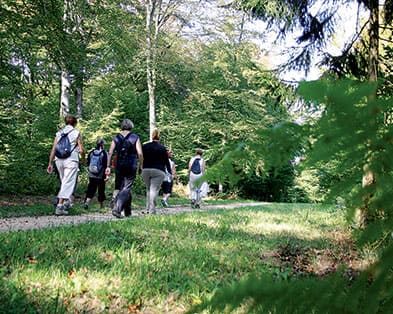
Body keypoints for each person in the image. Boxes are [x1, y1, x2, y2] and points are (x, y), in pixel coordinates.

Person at [47, 114, 85, 215]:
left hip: (58, 160)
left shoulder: (59, 133)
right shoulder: (76, 133)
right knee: (67, 183)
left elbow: (53, 149)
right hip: (71, 160)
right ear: (75, 123)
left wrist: (50, 163)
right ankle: (59, 205)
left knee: (64, 182)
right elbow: (81, 150)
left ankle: (66, 202)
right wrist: (84, 159)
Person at [105, 119, 143, 218]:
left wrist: (108, 166)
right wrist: (141, 166)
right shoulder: (135, 137)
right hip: (131, 164)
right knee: (126, 188)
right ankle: (117, 209)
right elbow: (140, 153)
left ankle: (128, 212)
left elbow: (110, 152)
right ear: (131, 126)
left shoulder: (116, 138)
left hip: (119, 164)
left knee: (124, 188)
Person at [141, 129, 171, 214]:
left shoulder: (145, 146)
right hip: (158, 171)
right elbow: (166, 161)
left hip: (146, 170)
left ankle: (147, 209)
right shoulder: (162, 148)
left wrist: (140, 167)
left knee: (148, 189)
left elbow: (140, 157)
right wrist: (170, 172)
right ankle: (152, 210)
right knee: (154, 190)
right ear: (159, 137)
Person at [84, 138, 109, 209]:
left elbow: (88, 163)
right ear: (102, 145)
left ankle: (87, 202)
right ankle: (101, 205)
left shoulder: (91, 152)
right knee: (101, 189)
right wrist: (106, 176)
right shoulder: (104, 153)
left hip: (92, 174)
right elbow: (105, 165)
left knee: (91, 188)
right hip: (101, 175)